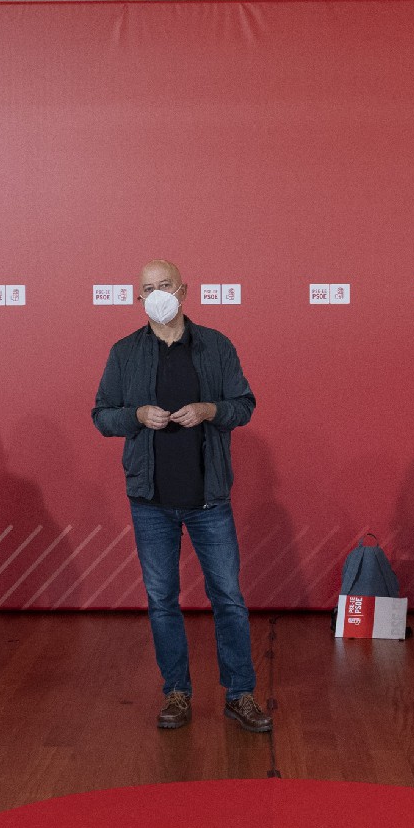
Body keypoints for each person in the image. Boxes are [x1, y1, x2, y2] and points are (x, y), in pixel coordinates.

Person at [91, 260, 272, 734]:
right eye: (147, 289)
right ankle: (176, 692)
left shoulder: (216, 345)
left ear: (184, 290)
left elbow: (244, 406)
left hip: (209, 497)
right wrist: (135, 415)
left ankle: (240, 694)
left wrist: (212, 409)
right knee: (162, 599)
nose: (156, 295)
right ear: (139, 299)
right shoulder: (125, 352)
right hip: (150, 500)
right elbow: (102, 415)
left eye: (164, 285)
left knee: (228, 597)